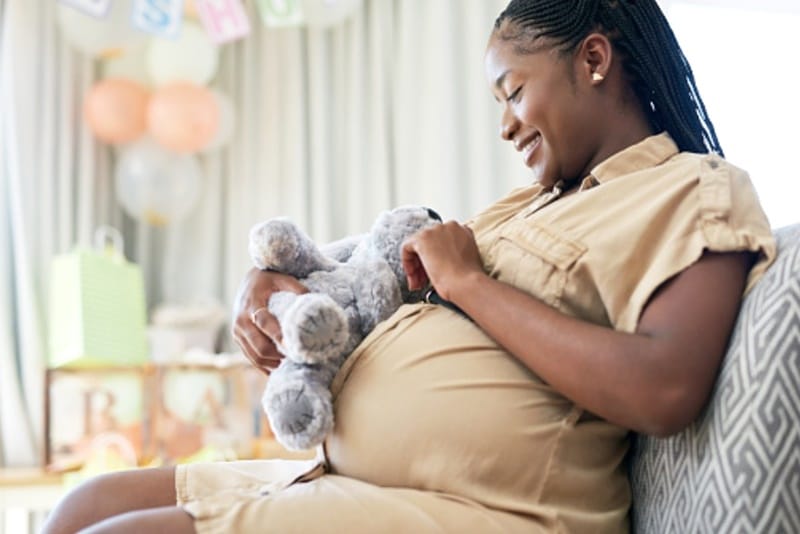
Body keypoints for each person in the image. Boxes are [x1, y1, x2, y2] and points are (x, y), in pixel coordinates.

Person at [43, 1, 776, 532]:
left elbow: (666, 387)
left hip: (483, 512)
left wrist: (469, 284)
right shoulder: (524, 208)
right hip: (359, 480)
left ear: (592, 59)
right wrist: (266, 288)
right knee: (80, 507)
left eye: (514, 91)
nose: (504, 124)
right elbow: (359, 269)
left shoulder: (693, 189)